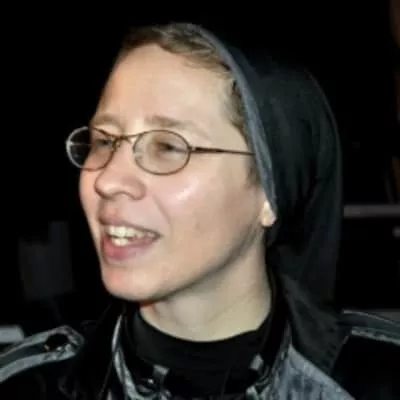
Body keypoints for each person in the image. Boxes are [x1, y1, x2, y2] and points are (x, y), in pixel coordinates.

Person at [1, 22, 399, 399]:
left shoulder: (379, 381)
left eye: (168, 146)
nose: (107, 179)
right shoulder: (28, 386)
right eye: (104, 141)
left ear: (269, 191)